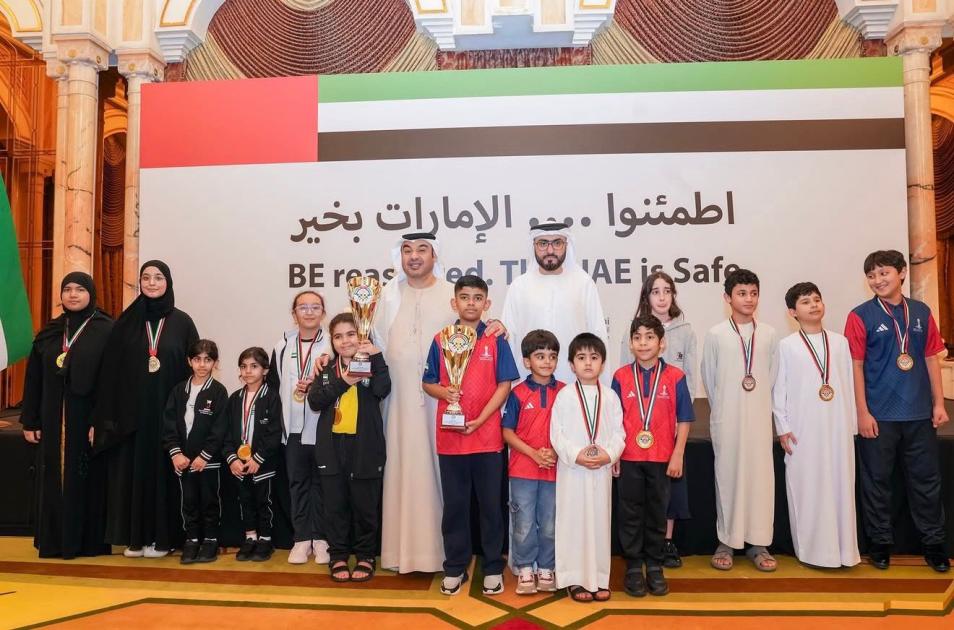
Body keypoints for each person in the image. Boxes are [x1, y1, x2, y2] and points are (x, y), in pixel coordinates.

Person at [373, 233, 504, 574]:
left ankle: (448, 557)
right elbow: (366, 342)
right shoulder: (386, 295)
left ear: (435, 255)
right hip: (400, 405)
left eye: (422, 249)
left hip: (447, 408)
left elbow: (481, 334)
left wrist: (499, 326)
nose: (414, 256)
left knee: (450, 487)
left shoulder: (453, 296)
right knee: (403, 474)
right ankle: (402, 554)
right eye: (407, 250)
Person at [844, 250, 950, 572]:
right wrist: (862, 413)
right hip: (879, 416)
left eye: (884, 273)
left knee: (926, 481)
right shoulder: (859, 316)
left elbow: (931, 358)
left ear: (901, 272)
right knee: (876, 482)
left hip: (919, 413)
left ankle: (933, 544)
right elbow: (855, 366)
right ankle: (879, 544)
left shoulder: (921, 311)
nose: (877, 280)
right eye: (871, 276)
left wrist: (939, 403)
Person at [94, 260, 199, 558]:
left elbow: (195, 369)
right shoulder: (127, 322)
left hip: (169, 416)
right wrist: (104, 418)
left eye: (158, 277)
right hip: (132, 417)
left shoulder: (182, 322)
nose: (152, 283)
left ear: (168, 282)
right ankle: (136, 538)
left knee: (164, 476)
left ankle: (163, 539)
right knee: (134, 475)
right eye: (146, 278)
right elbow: (110, 372)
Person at [422, 275, 519, 596]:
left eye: (478, 298)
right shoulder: (440, 339)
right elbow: (428, 382)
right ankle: (454, 567)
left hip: (487, 438)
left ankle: (492, 567)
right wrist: (445, 392)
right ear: (455, 303)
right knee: (455, 507)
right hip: (451, 439)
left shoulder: (495, 339)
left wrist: (480, 420)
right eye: (465, 297)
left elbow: (505, 385)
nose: (471, 303)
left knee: (491, 506)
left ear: (486, 304)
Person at [20, 272, 113, 559]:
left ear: (91, 294)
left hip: (87, 420)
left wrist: (101, 421)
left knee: (85, 479)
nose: (73, 294)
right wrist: (30, 420)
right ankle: (54, 541)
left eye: (80, 289)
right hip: (51, 418)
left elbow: (112, 382)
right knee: (52, 477)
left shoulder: (106, 330)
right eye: (68, 289)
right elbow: (34, 378)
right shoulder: (50, 332)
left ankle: (85, 542)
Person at [773, 283, 859, 568]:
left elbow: (848, 384)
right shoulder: (787, 346)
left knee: (840, 486)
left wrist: (852, 425)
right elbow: (779, 389)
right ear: (792, 312)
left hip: (837, 427)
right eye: (805, 302)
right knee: (809, 487)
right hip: (803, 429)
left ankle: (844, 552)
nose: (813, 305)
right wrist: (783, 426)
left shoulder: (840, 342)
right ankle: (812, 551)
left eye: (816, 299)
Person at [701, 268, 778, 572]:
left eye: (754, 293)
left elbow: (772, 378)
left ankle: (759, 543)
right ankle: (727, 541)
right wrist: (725, 409)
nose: (749, 299)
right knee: (728, 478)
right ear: (727, 298)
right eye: (742, 293)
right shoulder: (716, 334)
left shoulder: (769, 334)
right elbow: (711, 379)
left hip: (758, 419)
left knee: (761, 479)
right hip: (728, 419)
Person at [619, 271, 697, 568]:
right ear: (646, 296)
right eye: (655, 291)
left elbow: (689, 379)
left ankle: (665, 542)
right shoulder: (632, 330)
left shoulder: (685, 330)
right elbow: (624, 379)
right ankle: (637, 551)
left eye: (667, 291)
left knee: (669, 489)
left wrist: (677, 422)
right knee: (637, 496)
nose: (662, 297)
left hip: (669, 422)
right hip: (637, 428)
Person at [613, 314, 694, 597]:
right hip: (629, 456)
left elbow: (685, 418)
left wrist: (678, 454)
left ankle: (655, 565)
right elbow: (613, 419)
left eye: (650, 337)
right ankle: (634, 566)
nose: (643, 343)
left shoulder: (676, 377)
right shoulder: (620, 377)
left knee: (658, 513)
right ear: (630, 344)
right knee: (630, 513)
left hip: (662, 457)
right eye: (637, 338)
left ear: (662, 343)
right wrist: (615, 454)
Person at [309, 312, 391, 582]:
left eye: (351, 334)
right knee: (335, 506)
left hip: (365, 446)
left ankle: (366, 555)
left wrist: (376, 357)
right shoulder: (325, 368)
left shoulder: (373, 363)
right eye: (338, 336)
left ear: (362, 335)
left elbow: (382, 389)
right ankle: (338, 556)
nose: (345, 341)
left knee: (365, 506)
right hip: (332, 447)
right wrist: (345, 381)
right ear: (332, 341)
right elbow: (315, 401)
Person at [551, 333, 625, 603]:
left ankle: (599, 579)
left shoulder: (611, 396)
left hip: (600, 470)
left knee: (599, 524)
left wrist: (608, 454)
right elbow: (556, 434)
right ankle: (574, 578)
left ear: (603, 363)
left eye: (594, 357)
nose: (588, 363)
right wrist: (576, 455)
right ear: (572, 365)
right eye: (581, 358)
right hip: (573, 470)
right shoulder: (564, 396)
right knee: (573, 522)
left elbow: (619, 432)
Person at [267, 290, 331, 565]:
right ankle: (302, 539)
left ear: (323, 313)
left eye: (315, 307)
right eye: (303, 307)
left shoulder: (332, 343)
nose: (309, 312)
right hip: (292, 428)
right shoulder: (282, 345)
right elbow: (274, 387)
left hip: (324, 428)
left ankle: (322, 540)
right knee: (297, 484)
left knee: (323, 485)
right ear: (294, 314)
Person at [502, 221, 608, 385]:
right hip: (528, 385)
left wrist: (600, 387)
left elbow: (598, 336)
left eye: (557, 243)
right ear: (534, 246)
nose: (550, 250)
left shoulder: (583, 283)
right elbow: (509, 340)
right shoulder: (519, 286)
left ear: (566, 245)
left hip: (574, 382)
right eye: (543, 243)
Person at [501, 329, 564, 595]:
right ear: (527, 361)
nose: (547, 361)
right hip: (523, 471)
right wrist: (533, 453)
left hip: (554, 470)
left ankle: (546, 567)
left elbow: (570, 431)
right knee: (524, 522)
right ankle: (525, 567)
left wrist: (556, 452)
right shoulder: (517, 393)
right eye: (540, 356)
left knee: (550, 523)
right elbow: (507, 432)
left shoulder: (565, 392)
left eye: (552, 356)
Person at [161, 339, 229, 564]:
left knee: (209, 502)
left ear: (215, 363)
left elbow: (220, 428)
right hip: (183, 461)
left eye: (207, 360)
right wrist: (176, 453)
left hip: (208, 462)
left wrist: (204, 456)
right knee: (188, 502)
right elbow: (169, 425)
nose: (202, 364)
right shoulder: (178, 391)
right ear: (189, 361)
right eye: (197, 359)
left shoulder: (219, 392)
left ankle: (210, 540)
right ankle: (191, 539)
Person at [224, 347, 283, 562]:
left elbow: (274, 432)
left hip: (262, 464)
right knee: (245, 501)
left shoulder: (272, 397)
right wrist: (232, 458)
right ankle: (250, 537)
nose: (248, 371)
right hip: (239, 464)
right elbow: (226, 432)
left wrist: (258, 458)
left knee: (263, 502)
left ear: (265, 370)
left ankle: (265, 539)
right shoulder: (234, 398)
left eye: (254, 366)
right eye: (243, 366)